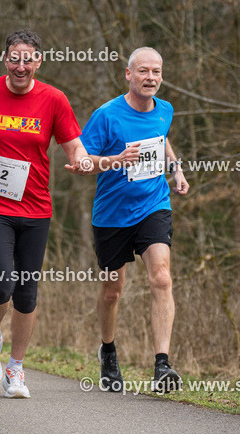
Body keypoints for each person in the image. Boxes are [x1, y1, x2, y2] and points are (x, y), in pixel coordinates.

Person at [0, 29, 92, 398]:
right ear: (5, 60)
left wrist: (82, 161)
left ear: (39, 62)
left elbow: (74, 145)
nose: (21, 66)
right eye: (14, 58)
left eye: (28, 59)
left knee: (27, 293)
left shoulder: (54, 99)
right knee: (1, 283)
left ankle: (15, 369)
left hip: (35, 207)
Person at [77, 46, 189, 393]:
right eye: (143, 71)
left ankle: (162, 365)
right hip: (112, 215)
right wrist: (115, 160)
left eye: (156, 72)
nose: (150, 78)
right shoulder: (106, 115)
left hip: (153, 204)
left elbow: (162, 140)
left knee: (161, 277)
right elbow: (82, 162)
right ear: (129, 74)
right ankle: (108, 350)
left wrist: (176, 169)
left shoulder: (165, 110)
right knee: (113, 291)